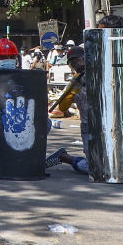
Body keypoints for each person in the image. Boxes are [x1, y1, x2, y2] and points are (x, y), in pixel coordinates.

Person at [45, 46, 91, 175]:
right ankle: (66, 158)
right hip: (87, 124)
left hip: (103, 123)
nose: (77, 65)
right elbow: (63, 107)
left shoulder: (96, 75)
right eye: (73, 63)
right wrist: (72, 91)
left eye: (78, 61)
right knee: (92, 167)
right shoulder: (75, 82)